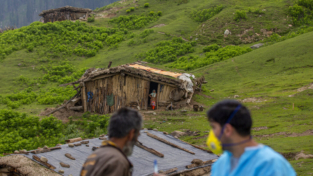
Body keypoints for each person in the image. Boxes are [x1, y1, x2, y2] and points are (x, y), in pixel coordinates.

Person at [206, 100, 296, 176]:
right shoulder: (220, 164)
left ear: (227, 130)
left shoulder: (270, 165)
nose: (212, 133)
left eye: (213, 127)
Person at [80, 107, 142, 176]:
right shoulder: (117, 161)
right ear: (131, 134)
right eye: (137, 135)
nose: (136, 140)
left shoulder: (94, 156)